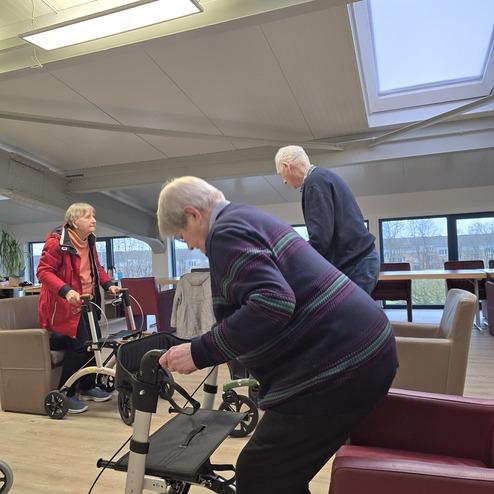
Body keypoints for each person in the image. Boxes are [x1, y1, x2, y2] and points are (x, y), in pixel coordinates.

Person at [156, 176, 398, 494]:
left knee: (261, 474)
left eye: (182, 235)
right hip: (362, 350)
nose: (188, 245)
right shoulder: (246, 216)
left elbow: (272, 303)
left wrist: (200, 352)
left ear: (193, 215)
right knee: (279, 474)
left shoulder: (225, 233)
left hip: (342, 365)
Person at [37, 202, 120, 414]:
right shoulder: (57, 242)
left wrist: (108, 285)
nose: (93, 220)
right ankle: (66, 392)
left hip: (87, 302)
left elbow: (96, 267)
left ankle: (87, 386)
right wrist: (66, 291)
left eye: (93, 215)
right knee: (82, 346)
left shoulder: (89, 240)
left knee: (96, 342)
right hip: (65, 305)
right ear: (74, 221)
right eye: (87, 216)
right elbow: (44, 272)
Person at [274, 145, 380, 294]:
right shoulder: (323, 176)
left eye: (281, 175)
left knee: (342, 309)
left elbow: (321, 239)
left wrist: (293, 258)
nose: (284, 181)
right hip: (361, 260)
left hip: (356, 264)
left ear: (287, 166)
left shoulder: (314, 183)